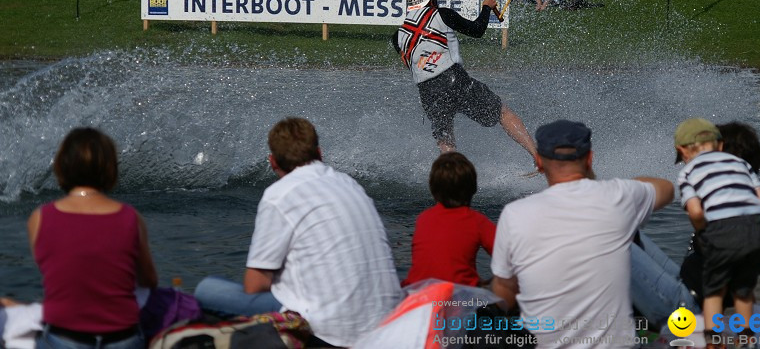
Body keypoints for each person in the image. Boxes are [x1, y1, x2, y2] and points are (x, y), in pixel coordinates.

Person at [194, 118, 400, 347]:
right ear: (319, 153)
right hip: (385, 323)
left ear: (272, 162)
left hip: (330, 329)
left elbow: (255, 284)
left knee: (207, 289)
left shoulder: (279, 195)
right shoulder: (350, 184)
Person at [490, 119, 674, 349]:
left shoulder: (514, 214)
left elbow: (503, 292)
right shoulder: (616, 197)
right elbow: (667, 189)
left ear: (538, 163)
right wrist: (628, 189)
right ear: (590, 159)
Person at [28, 127, 158, 349]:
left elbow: (60, 275)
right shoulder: (130, 218)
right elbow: (149, 280)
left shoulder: (40, 218)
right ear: (109, 168)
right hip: (122, 340)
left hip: (64, 339)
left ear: (62, 165)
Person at [392, 0, 538, 162]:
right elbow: (477, 30)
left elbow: (411, 63)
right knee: (503, 112)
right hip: (453, 79)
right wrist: (487, 6)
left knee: (446, 140)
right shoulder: (441, 14)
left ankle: (453, 182)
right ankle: (537, 157)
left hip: (427, 91)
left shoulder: (397, 36)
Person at [674, 118, 760, 349]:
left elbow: (696, 212)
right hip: (756, 233)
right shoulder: (742, 164)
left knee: (714, 292)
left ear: (682, 151)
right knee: (743, 292)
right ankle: (747, 339)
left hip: (721, 234)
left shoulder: (688, 173)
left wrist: (704, 230)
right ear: (719, 145)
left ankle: (713, 341)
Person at [403, 152, 495, 287]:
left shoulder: (423, 218)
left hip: (416, 297)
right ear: (473, 188)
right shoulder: (476, 221)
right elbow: (511, 260)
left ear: (432, 188)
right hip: (456, 300)